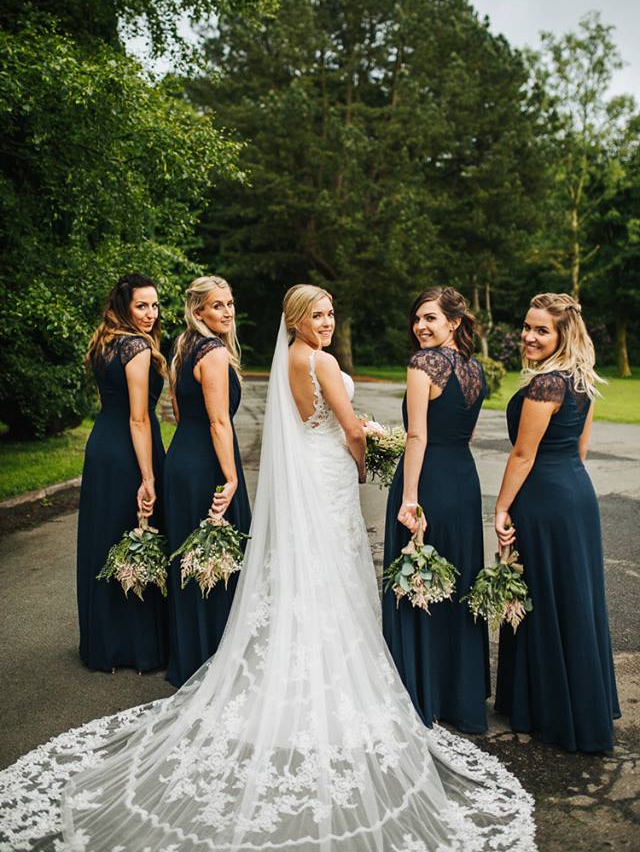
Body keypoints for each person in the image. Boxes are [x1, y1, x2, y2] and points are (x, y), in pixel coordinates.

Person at [0, 286, 535, 852]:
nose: (328, 323)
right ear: (297, 321)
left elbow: (305, 419)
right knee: (333, 567)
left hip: (310, 468)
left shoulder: (292, 359)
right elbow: (350, 429)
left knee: (306, 568)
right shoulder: (320, 361)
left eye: (332, 314)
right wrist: (366, 456)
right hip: (329, 472)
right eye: (318, 315)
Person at [494, 292, 620, 752]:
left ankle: (549, 707)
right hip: (575, 495)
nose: (529, 335)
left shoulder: (546, 384)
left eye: (541, 330)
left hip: (544, 498)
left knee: (544, 595)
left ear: (563, 335)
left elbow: (523, 455)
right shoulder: (581, 380)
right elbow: (580, 450)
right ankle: (577, 703)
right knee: (572, 597)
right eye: (527, 326)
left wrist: (501, 507)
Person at [383, 287, 490, 733]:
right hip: (463, 482)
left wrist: (409, 498)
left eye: (430, 318)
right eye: (417, 318)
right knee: (456, 582)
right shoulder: (474, 368)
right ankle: (459, 699)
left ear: (454, 321)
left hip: (427, 481)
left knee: (418, 583)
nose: (421, 326)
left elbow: (417, 436)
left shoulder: (423, 364)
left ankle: (418, 692)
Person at [77, 273, 167, 674]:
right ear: (124, 307)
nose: (151, 313)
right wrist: (148, 476)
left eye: (155, 305)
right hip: (130, 451)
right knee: (134, 535)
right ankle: (135, 646)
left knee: (105, 538)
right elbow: (139, 418)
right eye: (141, 306)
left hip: (101, 446)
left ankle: (103, 644)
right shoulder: (136, 346)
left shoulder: (105, 341)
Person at [164, 275, 251, 687]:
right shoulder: (213, 352)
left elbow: (180, 413)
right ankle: (216, 661)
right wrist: (230, 477)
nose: (228, 311)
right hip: (208, 465)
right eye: (218, 305)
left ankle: (192, 657)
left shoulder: (183, 346)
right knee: (215, 560)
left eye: (230, 303)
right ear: (198, 311)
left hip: (181, 458)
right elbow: (219, 422)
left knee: (191, 560)